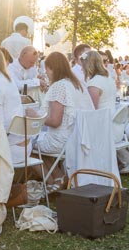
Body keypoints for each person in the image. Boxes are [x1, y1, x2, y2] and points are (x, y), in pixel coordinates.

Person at [34, 52, 94, 182]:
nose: (46, 73)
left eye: (47, 70)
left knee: (26, 146)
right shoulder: (77, 83)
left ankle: (52, 182)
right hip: (79, 139)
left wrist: (36, 117)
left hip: (61, 141)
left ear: (52, 68)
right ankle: (59, 179)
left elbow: (55, 121)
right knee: (38, 144)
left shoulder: (59, 86)